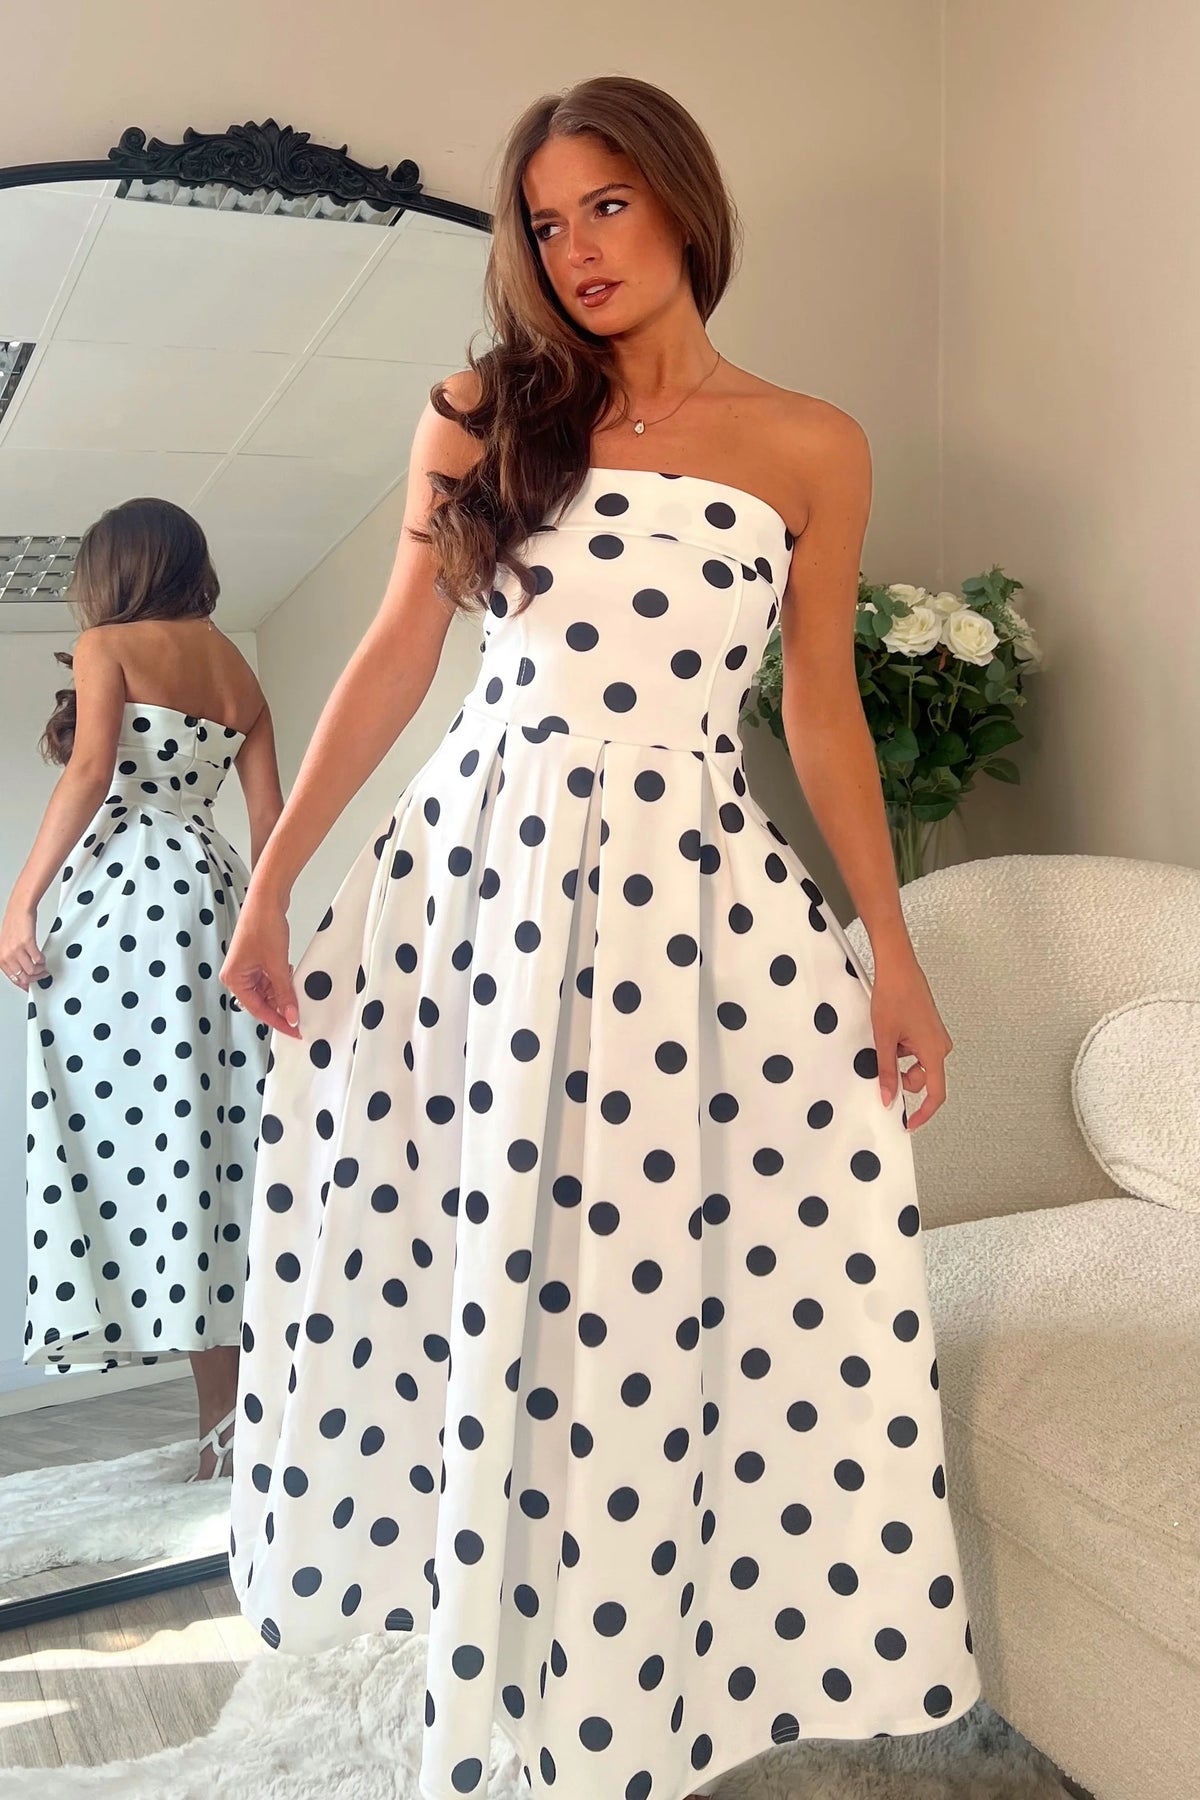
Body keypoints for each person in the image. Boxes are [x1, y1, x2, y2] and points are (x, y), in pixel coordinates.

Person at [218, 73, 980, 1800]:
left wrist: (893, 951)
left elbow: (822, 710)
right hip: (483, 884)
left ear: (686, 203)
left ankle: (638, 1679)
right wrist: (276, 881)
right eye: (547, 223)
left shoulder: (812, 444)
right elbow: (398, 652)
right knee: (475, 1260)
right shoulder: (482, 413)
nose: (576, 250)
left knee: (668, 1283)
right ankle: (490, 1667)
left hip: (692, 903)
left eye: (608, 206)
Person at [0, 497, 284, 1483]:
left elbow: (89, 772)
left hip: (128, 898)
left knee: (134, 1133)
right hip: (214, 893)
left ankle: (220, 1417)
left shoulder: (107, 643)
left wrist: (20, 901)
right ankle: (231, 1422)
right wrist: (270, 927)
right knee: (212, 1141)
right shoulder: (238, 670)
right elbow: (271, 821)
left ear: (115, 569)